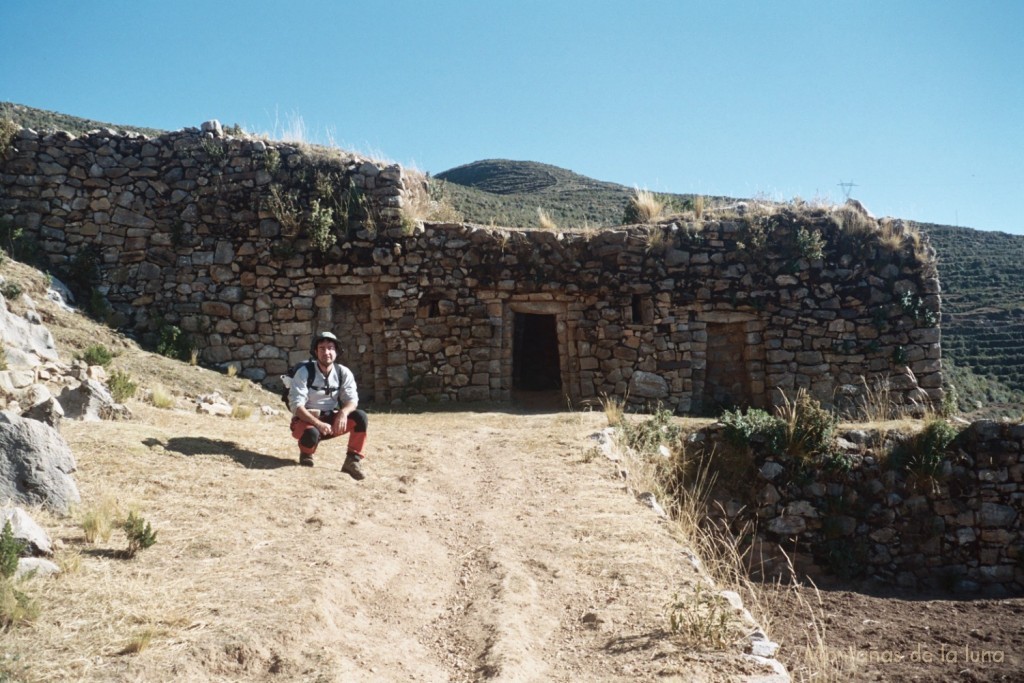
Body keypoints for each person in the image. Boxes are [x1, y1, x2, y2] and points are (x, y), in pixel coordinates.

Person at [288, 331, 369, 480]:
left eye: (331, 348)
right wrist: (318, 423)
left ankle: (352, 461)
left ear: (337, 351)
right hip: (306, 421)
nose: (327, 352)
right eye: (322, 348)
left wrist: (343, 413)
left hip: (330, 421)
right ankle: (306, 453)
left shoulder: (343, 372)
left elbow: (352, 400)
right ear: (315, 352)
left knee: (360, 417)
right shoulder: (304, 372)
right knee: (311, 434)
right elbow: (296, 406)